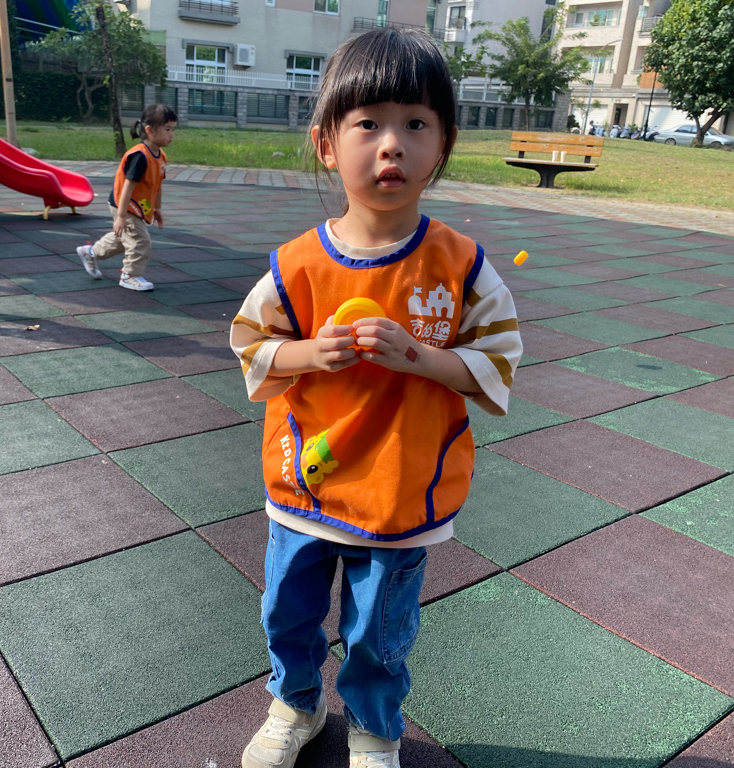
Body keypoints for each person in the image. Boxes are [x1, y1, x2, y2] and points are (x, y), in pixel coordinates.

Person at [230, 28, 521, 768]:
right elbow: (250, 344)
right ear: (327, 143)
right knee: (288, 611)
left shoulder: (459, 266)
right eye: (368, 124)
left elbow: (498, 358)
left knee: (377, 630)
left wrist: (421, 357)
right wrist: (307, 352)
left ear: (443, 145)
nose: (392, 144)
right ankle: (295, 704)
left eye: (415, 124)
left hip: (400, 486)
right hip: (307, 478)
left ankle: (373, 725)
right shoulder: (297, 264)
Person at [76, 104, 176, 291]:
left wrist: (156, 208)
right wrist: (121, 216)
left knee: (124, 238)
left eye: (173, 129)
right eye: (167, 129)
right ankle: (129, 275)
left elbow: (157, 185)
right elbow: (126, 187)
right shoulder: (140, 156)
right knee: (140, 241)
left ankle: (90, 252)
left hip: (134, 205)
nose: (172, 135)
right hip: (124, 204)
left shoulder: (160, 156)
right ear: (150, 130)